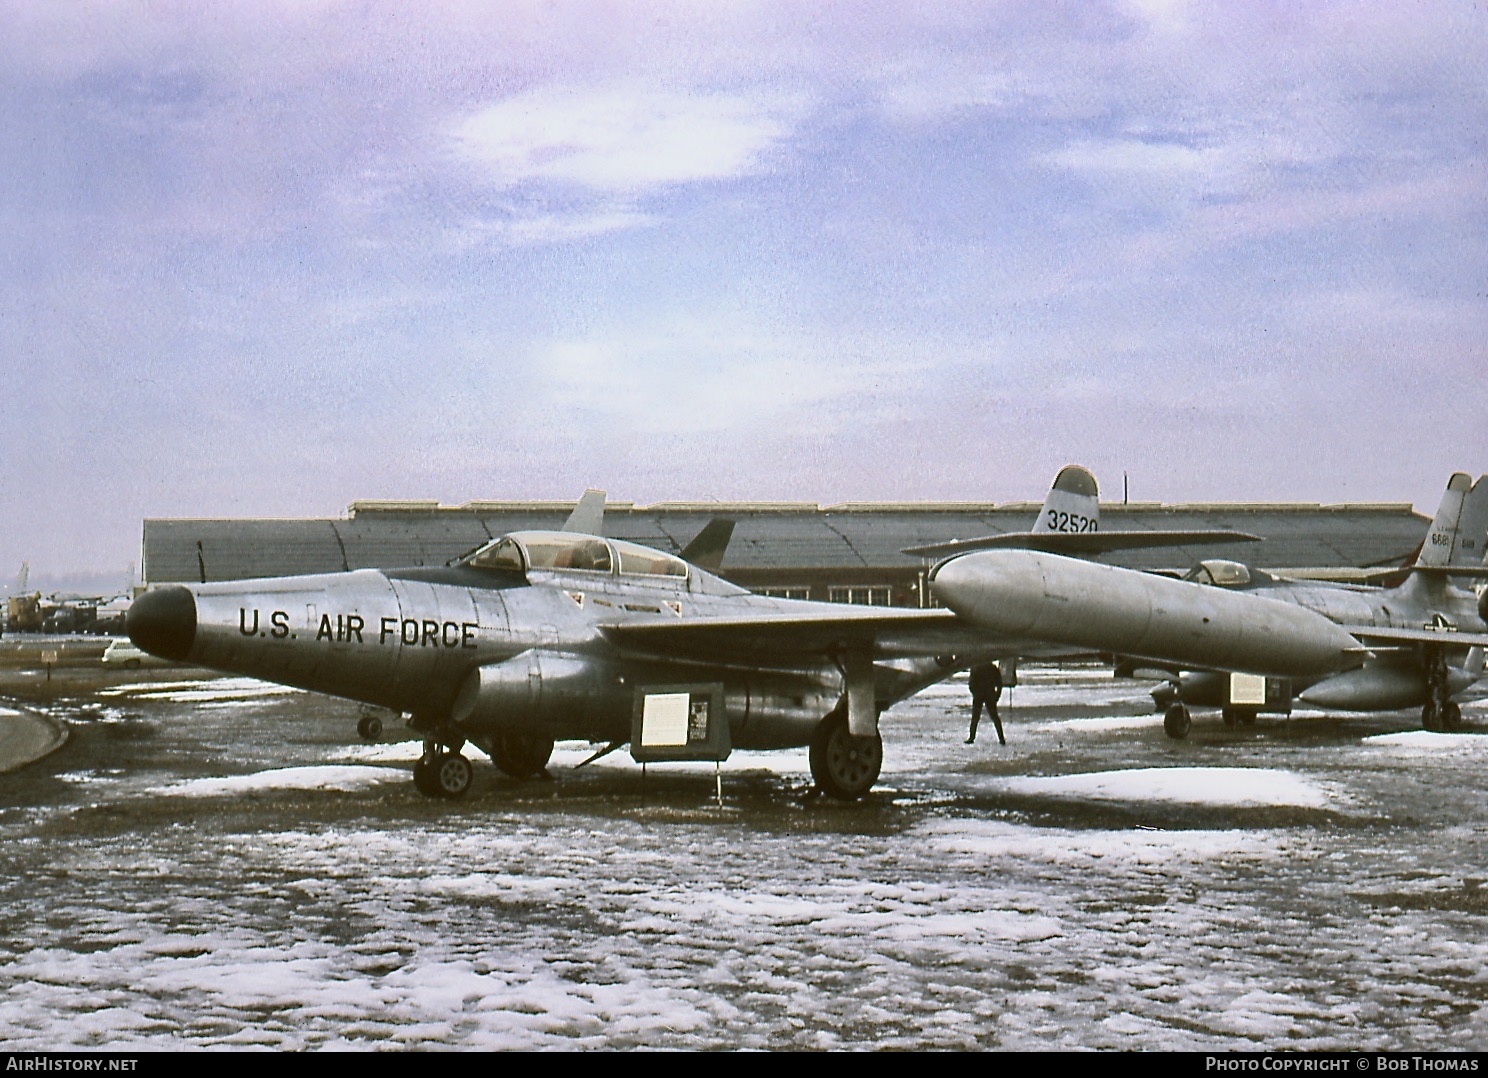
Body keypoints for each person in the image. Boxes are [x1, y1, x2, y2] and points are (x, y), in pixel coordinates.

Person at [966, 662, 1005, 746]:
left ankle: (971, 737)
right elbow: (999, 683)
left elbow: (971, 684)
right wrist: (997, 695)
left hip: (979, 695)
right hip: (990, 695)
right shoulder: (992, 668)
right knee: (995, 717)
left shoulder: (975, 667)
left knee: (975, 718)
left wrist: (975, 693)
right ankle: (1001, 739)